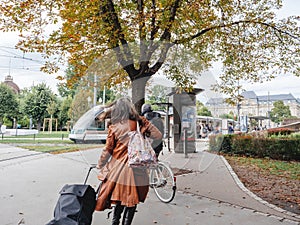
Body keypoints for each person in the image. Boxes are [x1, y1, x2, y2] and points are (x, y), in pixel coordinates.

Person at [95, 98, 162, 225]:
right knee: (132, 200)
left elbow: (108, 149)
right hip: (137, 168)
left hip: (118, 170)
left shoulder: (114, 127)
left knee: (119, 200)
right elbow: (157, 135)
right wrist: (142, 125)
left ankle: (115, 222)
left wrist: (100, 164)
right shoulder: (138, 123)